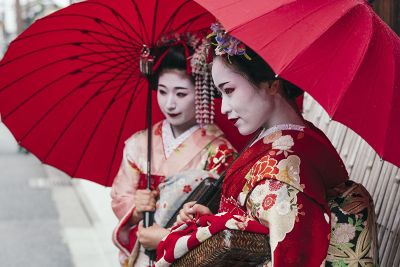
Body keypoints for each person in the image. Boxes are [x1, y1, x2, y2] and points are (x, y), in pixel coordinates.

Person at [155, 23, 377, 267]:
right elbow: (254, 226)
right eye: (220, 94)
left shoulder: (283, 171)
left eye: (229, 90)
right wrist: (217, 222)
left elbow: (290, 256)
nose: (224, 108)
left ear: (272, 83)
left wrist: (226, 226)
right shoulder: (299, 139)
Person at [110, 32, 236, 267]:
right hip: (144, 253)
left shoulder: (220, 152)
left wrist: (169, 237)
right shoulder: (139, 144)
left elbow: (219, 220)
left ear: (201, 92)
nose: (169, 103)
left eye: (180, 93)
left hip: (188, 258)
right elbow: (120, 197)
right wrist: (137, 210)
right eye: (163, 91)